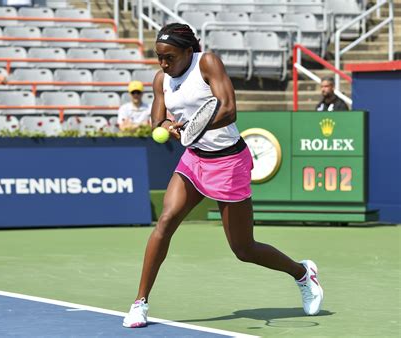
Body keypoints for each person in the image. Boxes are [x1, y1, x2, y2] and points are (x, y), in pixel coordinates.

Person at [122, 23, 324, 328]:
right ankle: (140, 303)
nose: (163, 63)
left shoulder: (207, 62)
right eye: (159, 57)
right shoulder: (161, 78)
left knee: (244, 249)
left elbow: (229, 109)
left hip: (229, 163)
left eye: (169, 57)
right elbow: (158, 118)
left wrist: (193, 128)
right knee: (165, 221)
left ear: (188, 51)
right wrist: (164, 126)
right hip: (194, 161)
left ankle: (301, 273)